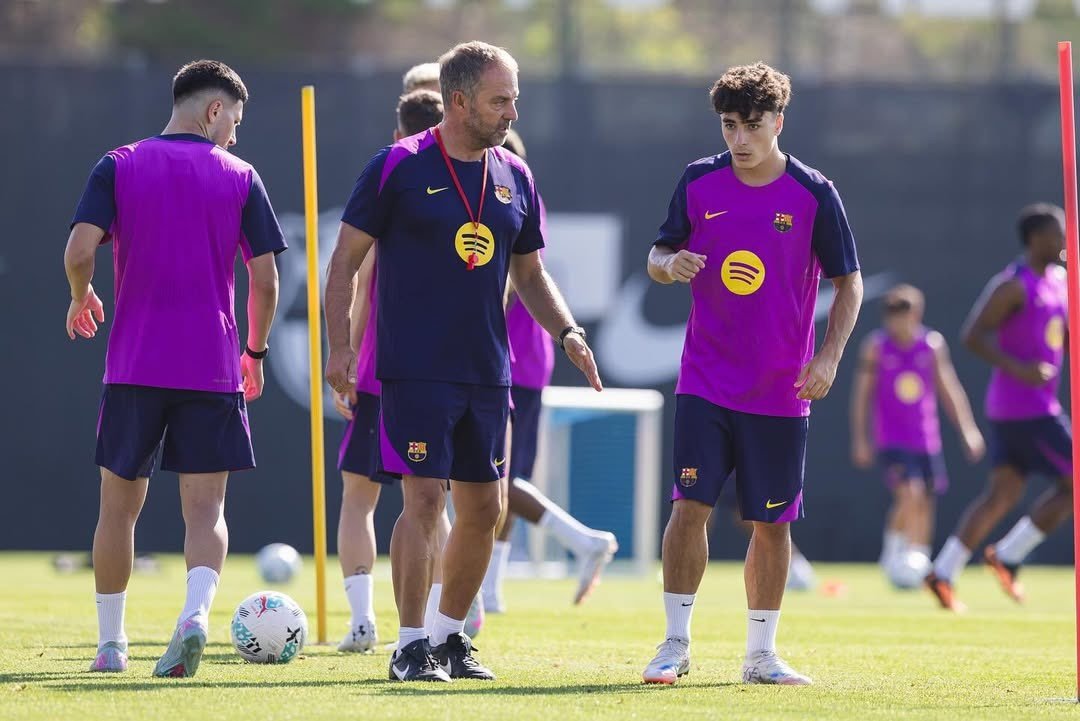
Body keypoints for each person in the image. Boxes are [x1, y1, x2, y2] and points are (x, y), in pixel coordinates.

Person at [324, 41, 601, 683]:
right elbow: (344, 264)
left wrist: (568, 332)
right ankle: (410, 645)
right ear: (458, 101)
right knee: (423, 502)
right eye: (500, 100)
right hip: (413, 368)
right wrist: (340, 346)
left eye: (515, 99)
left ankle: (451, 639)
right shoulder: (396, 166)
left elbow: (530, 274)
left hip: (488, 370)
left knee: (485, 510)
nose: (512, 112)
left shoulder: (515, 176)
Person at [640, 62, 862, 686]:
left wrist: (829, 356)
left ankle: (761, 655)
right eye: (729, 125)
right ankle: (674, 643)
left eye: (753, 125)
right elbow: (659, 253)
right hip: (705, 381)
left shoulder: (815, 193)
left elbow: (850, 281)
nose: (739, 138)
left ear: (779, 122)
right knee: (690, 506)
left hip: (780, 388)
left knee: (772, 521)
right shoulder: (698, 181)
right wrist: (668, 264)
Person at [64, 59, 285, 677]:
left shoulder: (119, 163)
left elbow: (79, 251)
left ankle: (111, 646)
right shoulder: (241, 175)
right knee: (207, 510)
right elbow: (264, 279)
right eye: (234, 121)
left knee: (116, 509)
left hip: (134, 364)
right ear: (214, 110)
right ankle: (193, 616)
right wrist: (257, 351)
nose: (235, 137)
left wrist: (81, 296)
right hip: (212, 367)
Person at [482, 129, 619, 612]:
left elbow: (517, 280)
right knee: (507, 475)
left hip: (509, 360)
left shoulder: (511, 198)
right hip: (526, 360)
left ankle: (584, 541)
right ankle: (492, 591)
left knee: (499, 477)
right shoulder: (520, 197)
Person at [332, 87, 447, 654]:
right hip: (438, 377)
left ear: (399, 130)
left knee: (361, 499)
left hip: (385, 374)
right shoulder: (466, 185)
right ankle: (447, 617)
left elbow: (359, 290)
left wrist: (347, 357)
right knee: (433, 501)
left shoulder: (394, 181)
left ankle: (363, 620)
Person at [926, 203, 1070, 611]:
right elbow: (972, 334)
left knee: (1001, 495)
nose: (1064, 240)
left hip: (1029, 409)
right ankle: (1009, 554)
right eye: (1058, 233)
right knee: (1073, 483)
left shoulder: (1059, 280)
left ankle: (944, 570)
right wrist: (1020, 369)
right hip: (1025, 409)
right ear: (1035, 238)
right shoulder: (1014, 284)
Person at [850, 285, 984, 574]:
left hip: (925, 437)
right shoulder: (876, 347)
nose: (897, 321)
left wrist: (968, 430)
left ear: (916, 314)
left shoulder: (932, 345)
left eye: (903, 314)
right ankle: (894, 553)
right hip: (891, 437)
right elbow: (862, 397)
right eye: (891, 314)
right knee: (910, 493)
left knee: (925, 499)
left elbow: (950, 390)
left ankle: (918, 560)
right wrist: (861, 438)